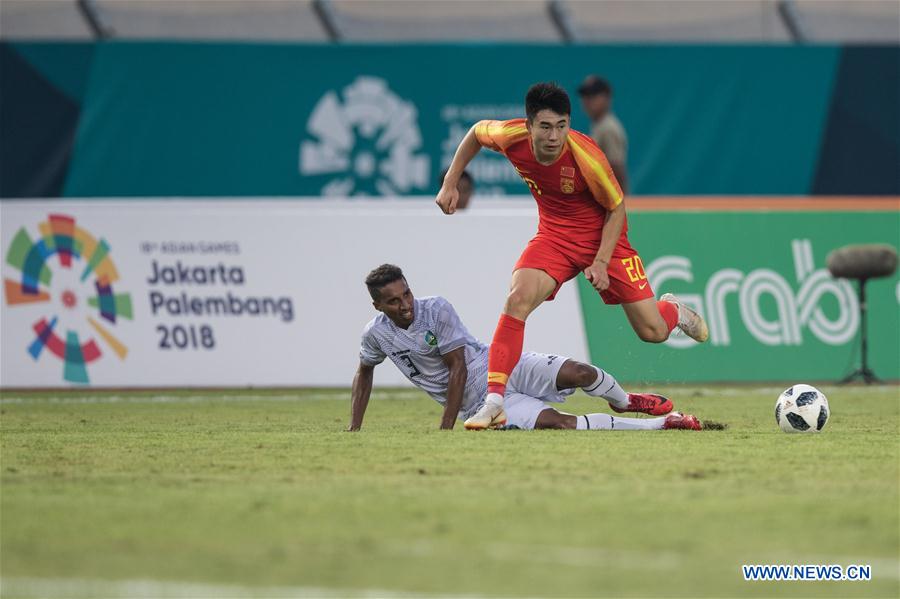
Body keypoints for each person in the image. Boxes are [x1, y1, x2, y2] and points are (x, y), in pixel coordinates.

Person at [435, 82, 709, 430]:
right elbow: (475, 133)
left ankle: (673, 309)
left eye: (562, 125)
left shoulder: (586, 157)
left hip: (603, 239)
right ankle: (494, 402)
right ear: (529, 124)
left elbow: (616, 208)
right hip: (554, 235)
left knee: (653, 331)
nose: (554, 136)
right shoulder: (509, 136)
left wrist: (599, 261)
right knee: (517, 299)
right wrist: (450, 181)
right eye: (546, 127)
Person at [347, 264, 703, 432]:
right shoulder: (375, 335)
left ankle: (625, 401)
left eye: (406, 293)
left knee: (581, 372)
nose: (405, 304)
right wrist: (354, 429)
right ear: (378, 307)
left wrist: (445, 430)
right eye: (393, 301)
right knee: (562, 425)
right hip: (476, 404)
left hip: (500, 368)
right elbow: (364, 372)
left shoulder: (435, 308)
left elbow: (458, 367)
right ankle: (661, 425)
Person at [577, 75, 629, 194]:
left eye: (592, 95)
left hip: (608, 202)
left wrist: (622, 207)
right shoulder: (599, 125)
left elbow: (617, 169)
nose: (587, 100)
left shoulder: (608, 127)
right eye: (584, 96)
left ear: (607, 97)